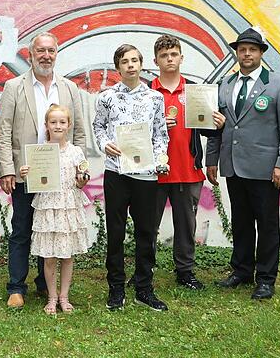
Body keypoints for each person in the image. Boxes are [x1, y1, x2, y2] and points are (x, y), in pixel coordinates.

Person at [206, 28, 280, 299]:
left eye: (252, 49)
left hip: (265, 169)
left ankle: (266, 278)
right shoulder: (225, 84)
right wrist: (212, 159)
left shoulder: (279, 85)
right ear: (237, 52)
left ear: (261, 53)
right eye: (242, 49)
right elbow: (216, 126)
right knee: (241, 221)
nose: (246, 54)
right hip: (233, 165)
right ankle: (242, 270)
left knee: (267, 224)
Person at [0, 32, 86, 309]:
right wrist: (6, 170)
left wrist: (80, 169)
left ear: (56, 53)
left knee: (50, 229)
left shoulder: (69, 88)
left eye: (51, 50)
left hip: (61, 176)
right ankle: (16, 287)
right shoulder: (14, 86)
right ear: (31, 54)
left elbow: (80, 132)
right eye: (40, 51)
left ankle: (43, 283)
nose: (46, 55)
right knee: (22, 227)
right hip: (27, 170)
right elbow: (4, 130)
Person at [92, 44, 169, 311]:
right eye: (125, 61)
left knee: (146, 232)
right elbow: (98, 127)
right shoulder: (106, 97)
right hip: (117, 172)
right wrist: (105, 144)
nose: (131, 65)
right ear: (118, 67)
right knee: (115, 232)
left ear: (142, 64)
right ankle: (115, 288)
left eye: (135, 60)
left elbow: (160, 134)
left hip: (146, 175)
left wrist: (161, 158)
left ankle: (144, 288)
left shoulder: (155, 98)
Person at [150, 35, 225, 290]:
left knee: (186, 227)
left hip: (188, 169)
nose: (169, 59)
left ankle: (185, 272)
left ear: (181, 57)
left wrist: (217, 125)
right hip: (154, 173)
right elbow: (134, 133)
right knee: (148, 227)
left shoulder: (195, 91)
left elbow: (207, 131)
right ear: (156, 61)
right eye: (164, 56)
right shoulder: (147, 93)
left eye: (173, 54)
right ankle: (143, 271)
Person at [18, 105, 89, 315]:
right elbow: (32, 180)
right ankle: (51, 297)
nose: (58, 126)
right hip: (47, 206)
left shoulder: (76, 152)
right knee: (49, 256)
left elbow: (82, 180)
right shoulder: (39, 151)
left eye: (62, 122)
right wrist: (25, 173)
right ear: (46, 125)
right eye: (53, 122)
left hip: (68, 206)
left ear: (68, 125)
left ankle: (64, 296)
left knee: (67, 255)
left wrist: (82, 179)